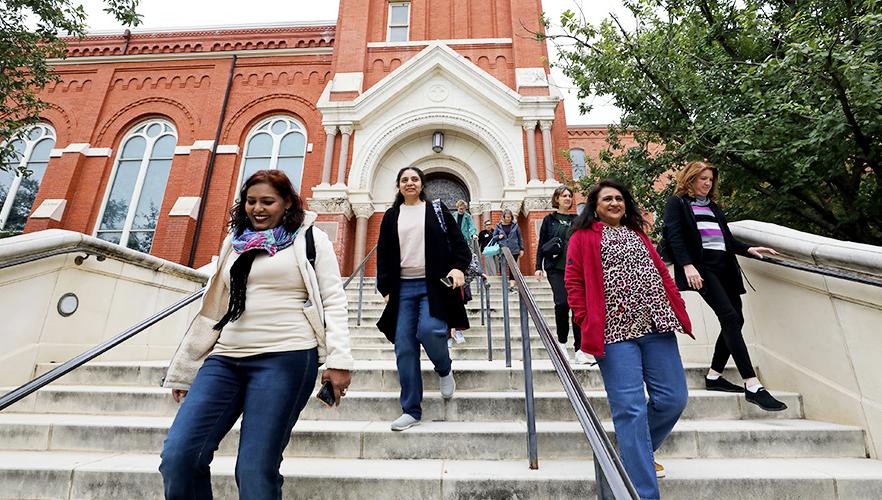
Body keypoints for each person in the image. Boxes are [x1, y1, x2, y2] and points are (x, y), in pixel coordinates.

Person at [160, 170, 353, 499]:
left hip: (286, 357)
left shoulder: (309, 239)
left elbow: (333, 298)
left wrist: (339, 359)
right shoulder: (233, 241)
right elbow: (214, 307)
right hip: (225, 358)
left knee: (254, 468)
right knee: (179, 457)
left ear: (287, 202)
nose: (257, 208)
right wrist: (187, 369)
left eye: (268, 201)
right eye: (251, 201)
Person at [565, 178, 693, 500]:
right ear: (594, 205)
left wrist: (674, 299)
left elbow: (661, 271)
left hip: (656, 326)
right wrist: (584, 318)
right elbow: (574, 281)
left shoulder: (638, 234)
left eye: (619, 198)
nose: (614, 203)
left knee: (673, 399)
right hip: (615, 333)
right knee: (630, 410)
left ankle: (623, 462)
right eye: (607, 199)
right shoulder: (582, 237)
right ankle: (641, 494)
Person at [662, 160, 786, 411]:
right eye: (702, 178)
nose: (707, 183)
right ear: (690, 179)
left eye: (710, 179)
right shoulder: (678, 203)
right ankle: (752, 385)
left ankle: (714, 376)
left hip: (725, 267)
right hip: (702, 267)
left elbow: (725, 238)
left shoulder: (713, 206)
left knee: (736, 319)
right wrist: (687, 265)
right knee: (728, 316)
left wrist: (749, 249)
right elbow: (674, 235)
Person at [375, 166, 472, 431]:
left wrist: (458, 268)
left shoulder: (437, 211)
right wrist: (385, 288)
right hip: (402, 287)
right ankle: (411, 410)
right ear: (398, 185)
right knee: (404, 347)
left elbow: (461, 246)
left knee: (430, 330)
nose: (409, 183)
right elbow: (383, 253)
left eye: (414, 179)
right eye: (404, 179)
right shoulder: (391, 216)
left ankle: (443, 368)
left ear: (422, 184)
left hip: (434, 285)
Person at [534, 185, 587, 364]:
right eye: (564, 195)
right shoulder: (549, 219)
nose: (567, 198)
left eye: (570, 196)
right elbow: (542, 243)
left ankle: (580, 349)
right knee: (562, 302)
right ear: (557, 199)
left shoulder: (577, 220)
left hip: (575, 269)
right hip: (555, 268)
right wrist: (537, 266)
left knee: (578, 307)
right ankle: (562, 343)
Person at [451, 199, 479, 344]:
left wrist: (474, 234)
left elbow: (472, 227)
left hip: (464, 241)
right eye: (459, 208)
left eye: (462, 208)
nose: (461, 210)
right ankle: (451, 333)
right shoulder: (454, 215)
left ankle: (456, 331)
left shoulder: (467, 217)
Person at [492, 208, 524, 291]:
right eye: (506, 217)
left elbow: (520, 237)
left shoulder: (515, 226)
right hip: (503, 249)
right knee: (502, 265)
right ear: (503, 217)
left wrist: (521, 248)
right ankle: (504, 284)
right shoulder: (498, 226)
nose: (508, 218)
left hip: (514, 248)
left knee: (512, 267)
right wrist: (498, 237)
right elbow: (493, 237)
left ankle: (512, 285)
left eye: (509, 217)